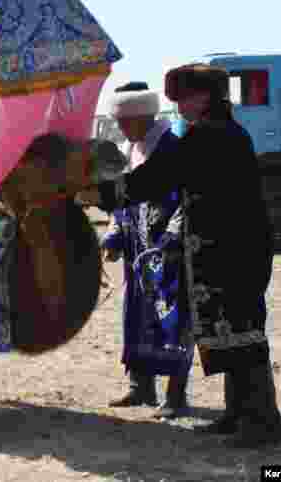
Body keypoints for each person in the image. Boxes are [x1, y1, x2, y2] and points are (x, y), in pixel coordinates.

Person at [95, 64, 281, 448]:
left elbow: (161, 175)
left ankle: (262, 423)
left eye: (184, 98)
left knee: (243, 336)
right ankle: (239, 414)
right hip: (232, 252)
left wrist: (102, 193)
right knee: (232, 334)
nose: (178, 105)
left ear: (206, 97)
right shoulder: (223, 132)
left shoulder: (210, 136)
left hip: (233, 254)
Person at [101, 82, 192, 419]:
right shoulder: (130, 148)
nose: (121, 127)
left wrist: (172, 238)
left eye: (125, 120)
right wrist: (113, 234)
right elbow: (123, 199)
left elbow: (187, 199)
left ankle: (175, 396)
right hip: (137, 250)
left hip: (166, 251)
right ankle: (141, 387)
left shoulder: (172, 148)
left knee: (172, 320)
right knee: (137, 317)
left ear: (143, 115)